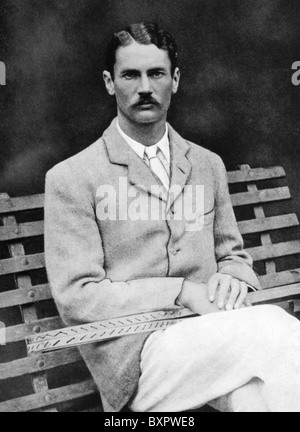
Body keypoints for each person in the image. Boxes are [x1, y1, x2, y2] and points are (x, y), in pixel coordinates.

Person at [45, 22, 300, 412]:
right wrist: (180, 291)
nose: (145, 87)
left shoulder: (206, 164)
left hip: (213, 338)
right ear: (110, 82)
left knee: (256, 400)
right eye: (130, 74)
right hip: (138, 358)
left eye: (157, 73)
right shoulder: (72, 177)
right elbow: (77, 297)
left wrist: (231, 278)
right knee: (277, 330)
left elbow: (232, 254)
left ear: (175, 80)